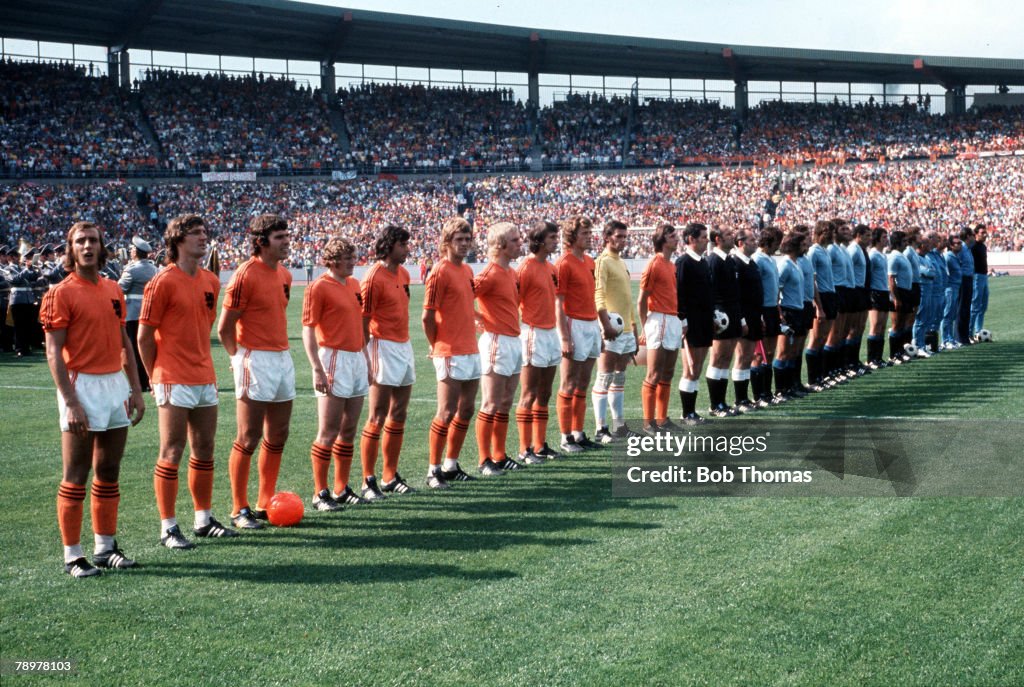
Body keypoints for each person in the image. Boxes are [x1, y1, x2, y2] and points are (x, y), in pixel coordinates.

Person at [41, 221, 146, 578]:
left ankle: (105, 547)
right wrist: (70, 401)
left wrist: (135, 389)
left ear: (102, 247)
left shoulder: (114, 289)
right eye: (80, 241)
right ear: (71, 249)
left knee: (109, 471)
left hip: (114, 385)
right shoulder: (60, 292)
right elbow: (53, 351)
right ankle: (73, 555)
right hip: (80, 385)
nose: (87, 246)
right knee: (76, 474)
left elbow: (124, 343)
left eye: (93, 241)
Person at [138, 214, 237, 549]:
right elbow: (144, 337)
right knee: (172, 450)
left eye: (204, 232)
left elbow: (205, 325)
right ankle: (167, 527)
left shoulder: (210, 280)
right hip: (172, 376)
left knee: (205, 449)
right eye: (195, 233)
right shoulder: (162, 281)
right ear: (177, 240)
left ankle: (203, 519)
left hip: (204, 375)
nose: (203, 237)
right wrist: (155, 376)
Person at [218, 214, 295, 530]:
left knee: (278, 434)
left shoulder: (285, 275)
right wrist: (237, 359)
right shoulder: (245, 275)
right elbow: (225, 327)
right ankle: (239, 509)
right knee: (248, 436)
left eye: (287, 236)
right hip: (254, 358)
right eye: (279, 237)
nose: (286, 241)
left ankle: (265, 503)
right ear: (261, 241)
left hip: (282, 357)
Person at [302, 237, 370, 511]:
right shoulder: (319, 287)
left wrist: (365, 358)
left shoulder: (354, 285)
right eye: (347, 257)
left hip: (356, 358)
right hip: (332, 358)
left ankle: (341, 488)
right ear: (332, 260)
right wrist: (316, 367)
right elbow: (308, 328)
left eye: (354, 256)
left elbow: (357, 325)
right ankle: (320, 492)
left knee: (349, 429)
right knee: (328, 430)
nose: (353, 262)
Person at [424, 217, 484, 483]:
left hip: (471, 348)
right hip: (450, 350)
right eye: (459, 240)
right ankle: (433, 469)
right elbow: (427, 316)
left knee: (467, 409)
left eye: (467, 239)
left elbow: (462, 303)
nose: (464, 244)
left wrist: (477, 316)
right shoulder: (439, 271)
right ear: (447, 242)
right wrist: (435, 344)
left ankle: (451, 464)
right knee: (446, 411)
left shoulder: (467, 270)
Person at [360, 225, 417, 497]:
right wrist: (365, 355)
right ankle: (367, 479)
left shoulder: (404, 274)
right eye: (403, 244)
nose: (407, 248)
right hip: (381, 345)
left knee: (399, 414)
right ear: (389, 245)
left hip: (403, 345)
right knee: (377, 416)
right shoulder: (373, 277)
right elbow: (362, 319)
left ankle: (389, 476)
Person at [474, 222, 527, 470]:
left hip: (513, 340)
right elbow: (462, 298)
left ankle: (499, 455)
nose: (520, 244)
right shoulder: (489, 274)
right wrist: (479, 319)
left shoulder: (511, 273)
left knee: (506, 401)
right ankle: (484, 459)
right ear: (501, 245)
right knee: (491, 403)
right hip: (496, 341)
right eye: (515, 240)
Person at [515, 220, 562, 461]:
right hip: (532, 333)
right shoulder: (525, 267)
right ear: (540, 240)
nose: (556, 241)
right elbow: (513, 300)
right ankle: (524, 449)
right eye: (552, 238)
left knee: (545, 394)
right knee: (529, 393)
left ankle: (540, 444)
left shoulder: (551, 268)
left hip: (550, 333)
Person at [555, 215, 602, 451]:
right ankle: (565, 437)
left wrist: (599, 328)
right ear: (572, 237)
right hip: (574, 324)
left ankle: (578, 431)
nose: (589, 236)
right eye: (584, 233)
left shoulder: (589, 261)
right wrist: (564, 336)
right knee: (569, 383)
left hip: (591, 323)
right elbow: (558, 303)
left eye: (589, 232)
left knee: (583, 382)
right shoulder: (563, 263)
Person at [592, 219, 640, 442]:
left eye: (624, 236)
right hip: (610, 329)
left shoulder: (621, 262)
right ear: (607, 237)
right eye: (618, 236)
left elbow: (628, 300)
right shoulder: (602, 261)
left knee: (619, 378)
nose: (622, 240)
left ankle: (619, 426)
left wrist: (633, 326)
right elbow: (598, 294)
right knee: (604, 376)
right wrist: (605, 324)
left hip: (626, 331)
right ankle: (601, 429)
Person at [637, 222, 682, 433]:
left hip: (672, 319)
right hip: (659, 319)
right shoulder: (654, 264)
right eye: (672, 236)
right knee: (653, 373)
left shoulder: (671, 265)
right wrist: (645, 328)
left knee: (668, 372)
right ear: (663, 240)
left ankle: (662, 419)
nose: (676, 238)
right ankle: (648, 422)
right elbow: (641, 300)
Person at [675, 222, 714, 424]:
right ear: (691, 239)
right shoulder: (683, 263)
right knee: (690, 368)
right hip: (691, 323)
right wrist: (683, 320)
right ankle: (686, 413)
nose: (707, 239)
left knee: (697, 367)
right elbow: (679, 294)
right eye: (703, 236)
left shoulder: (704, 262)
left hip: (705, 321)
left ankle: (692, 412)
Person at [705, 226, 745, 417]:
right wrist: (714, 316)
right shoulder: (713, 260)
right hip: (722, 316)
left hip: (734, 313)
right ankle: (715, 405)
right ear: (718, 239)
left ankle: (722, 402)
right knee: (717, 358)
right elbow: (710, 291)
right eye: (729, 234)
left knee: (726, 358)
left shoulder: (729, 260)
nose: (733, 237)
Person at [730, 227, 763, 413]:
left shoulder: (751, 263)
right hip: (744, 318)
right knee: (742, 357)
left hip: (754, 316)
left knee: (748, 357)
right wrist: (742, 319)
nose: (755, 242)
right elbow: (736, 295)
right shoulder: (736, 264)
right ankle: (739, 399)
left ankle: (744, 398)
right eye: (751, 239)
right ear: (741, 243)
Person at [119, 236, 158, 392]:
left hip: (133, 312)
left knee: (133, 349)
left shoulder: (132, 269)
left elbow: (120, 288)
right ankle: (150, 379)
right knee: (148, 345)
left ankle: (140, 382)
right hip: (149, 311)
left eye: (132, 249)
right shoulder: (154, 269)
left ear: (136, 251)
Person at [751, 227, 782, 406]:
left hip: (772, 309)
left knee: (769, 353)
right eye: (776, 243)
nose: (777, 247)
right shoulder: (758, 259)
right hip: (762, 310)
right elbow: (756, 289)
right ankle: (758, 395)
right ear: (769, 242)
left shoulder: (770, 259)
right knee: (759, 355)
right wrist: (759, 313)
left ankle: (767, 392)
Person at [805, 221, 837, 388]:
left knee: (824, 338)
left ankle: (822, 375)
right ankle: (812, 379)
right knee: (816, 338)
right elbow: (812, 279)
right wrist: (818, 305)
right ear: (822, 233)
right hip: (821, 297)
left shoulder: (824, 251)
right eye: (830, 232)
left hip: (830, 295)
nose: (833, 236)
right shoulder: (813, 252)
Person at [887, 230, 915, 362]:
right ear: (897, 242)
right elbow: (891, 278)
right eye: (904, 241)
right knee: (897, 324)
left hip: (906, 292)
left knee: (903, 323)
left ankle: (900, 351)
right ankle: (893, 355)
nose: (906, 243)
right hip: (900, 292)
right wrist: (896, 298)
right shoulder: (894, 256)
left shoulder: (901, 255)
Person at [866, 228, 892, 366]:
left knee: (882, 326)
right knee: (875, 325)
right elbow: (868, 275)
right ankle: (871, 359)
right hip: (875, 292)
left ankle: (878, 357)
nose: (886, 239)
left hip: (883, 291)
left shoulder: (883, 255)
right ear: (877, 239)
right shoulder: (873, 255)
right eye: (883, 237)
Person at [941, 232, 963, 349]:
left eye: (960, 243)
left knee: (952, 314)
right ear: (951, 245)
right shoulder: (948, 257)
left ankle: (951, 338)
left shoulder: (955, 256)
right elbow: (945, 273)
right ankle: (945, 340)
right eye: (957, 243)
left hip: (956, 287)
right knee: (947, 314)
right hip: (950, 288)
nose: (960, 245)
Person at [956, 226, 975, 345]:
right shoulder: (961, 248)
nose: (974, 237)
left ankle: (964, 337)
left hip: (968, 279)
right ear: (968, 236)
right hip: (963, 280)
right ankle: (959, 337)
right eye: (973, 234)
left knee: (966, 308)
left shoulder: (967, 248)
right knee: (961, 309)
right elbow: (956, 263)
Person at [969, 224, 989, 338]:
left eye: (985, 233)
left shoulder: (983, 246)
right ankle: (970, 332)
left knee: (983, 305)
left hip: (984, 276)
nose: (985, 235)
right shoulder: (973, 246)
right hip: (977, 276)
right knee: (975, 305)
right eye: (982, 233)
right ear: (976, 234)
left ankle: (978, 330)